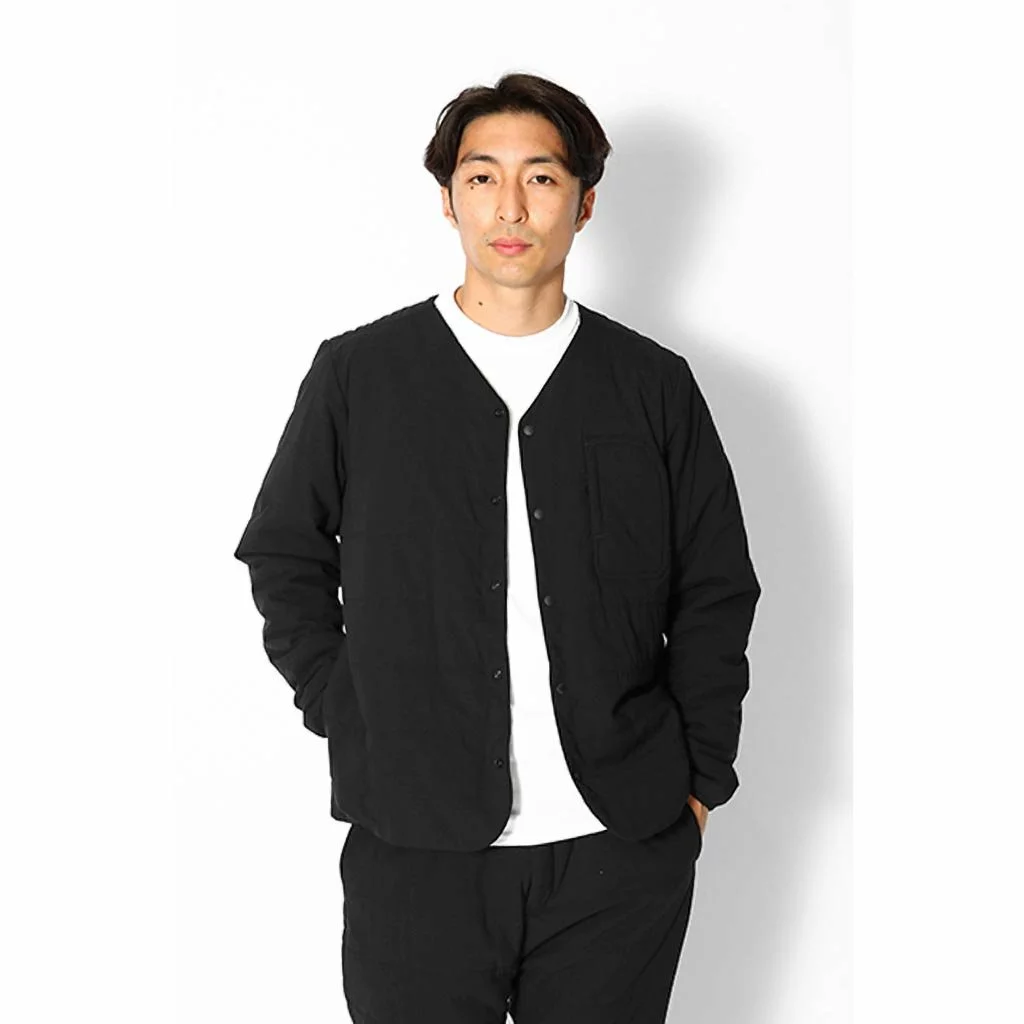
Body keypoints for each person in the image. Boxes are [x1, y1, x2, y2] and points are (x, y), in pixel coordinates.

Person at [234, 71, 761, 1024]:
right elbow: (283, 555)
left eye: (541, 178)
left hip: (619, 850)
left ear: (584, 202)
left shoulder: (652, 386)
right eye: (482, 178)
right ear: (448, 199)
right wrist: (348, 706)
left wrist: (699, 780)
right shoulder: (361, 375)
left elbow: (716, 588)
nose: (510, 207)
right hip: (415, 846)